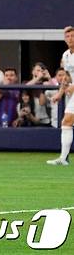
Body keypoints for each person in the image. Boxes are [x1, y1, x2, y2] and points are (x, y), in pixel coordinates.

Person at [47, 26, 74, 165]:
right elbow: (67, 77)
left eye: (72, 36)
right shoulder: (65, 55)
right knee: (66, 123)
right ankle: (63, 158)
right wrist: (60, 93)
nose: (70, 39)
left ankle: (63, 158)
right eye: (67, 36)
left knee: (67, 122)